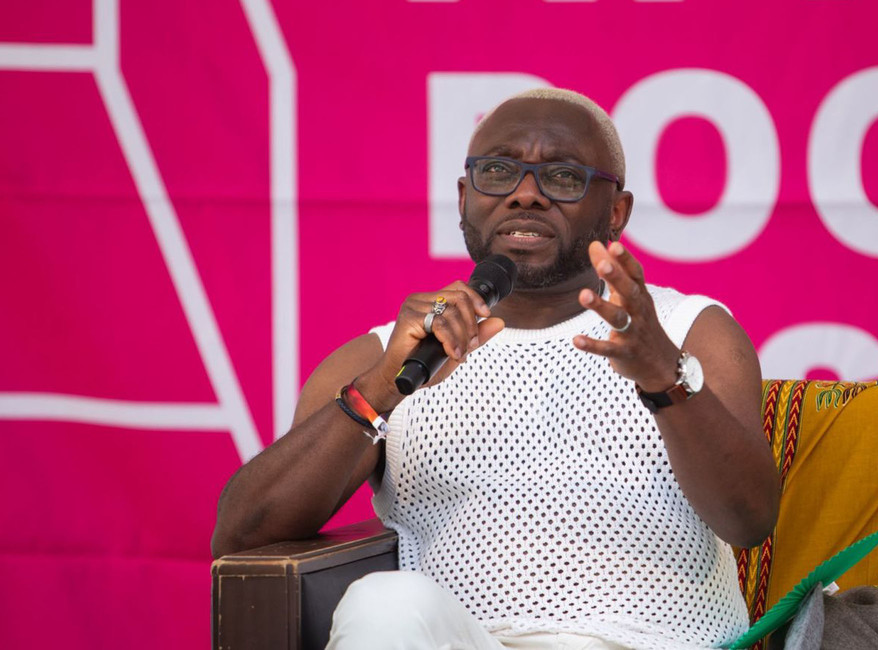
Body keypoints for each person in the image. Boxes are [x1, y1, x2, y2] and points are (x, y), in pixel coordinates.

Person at [211, 87, 781, 649]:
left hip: (650, 642)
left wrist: (664, 378)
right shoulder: (385, 357)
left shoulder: (688, 331)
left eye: (561, 177)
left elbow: (750, 520)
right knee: (382, 603)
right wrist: (381, 389)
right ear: (464, 198)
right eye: (499, 172)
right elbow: (242, 538)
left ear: (616, 212)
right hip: (470, 641)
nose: (525, 195)